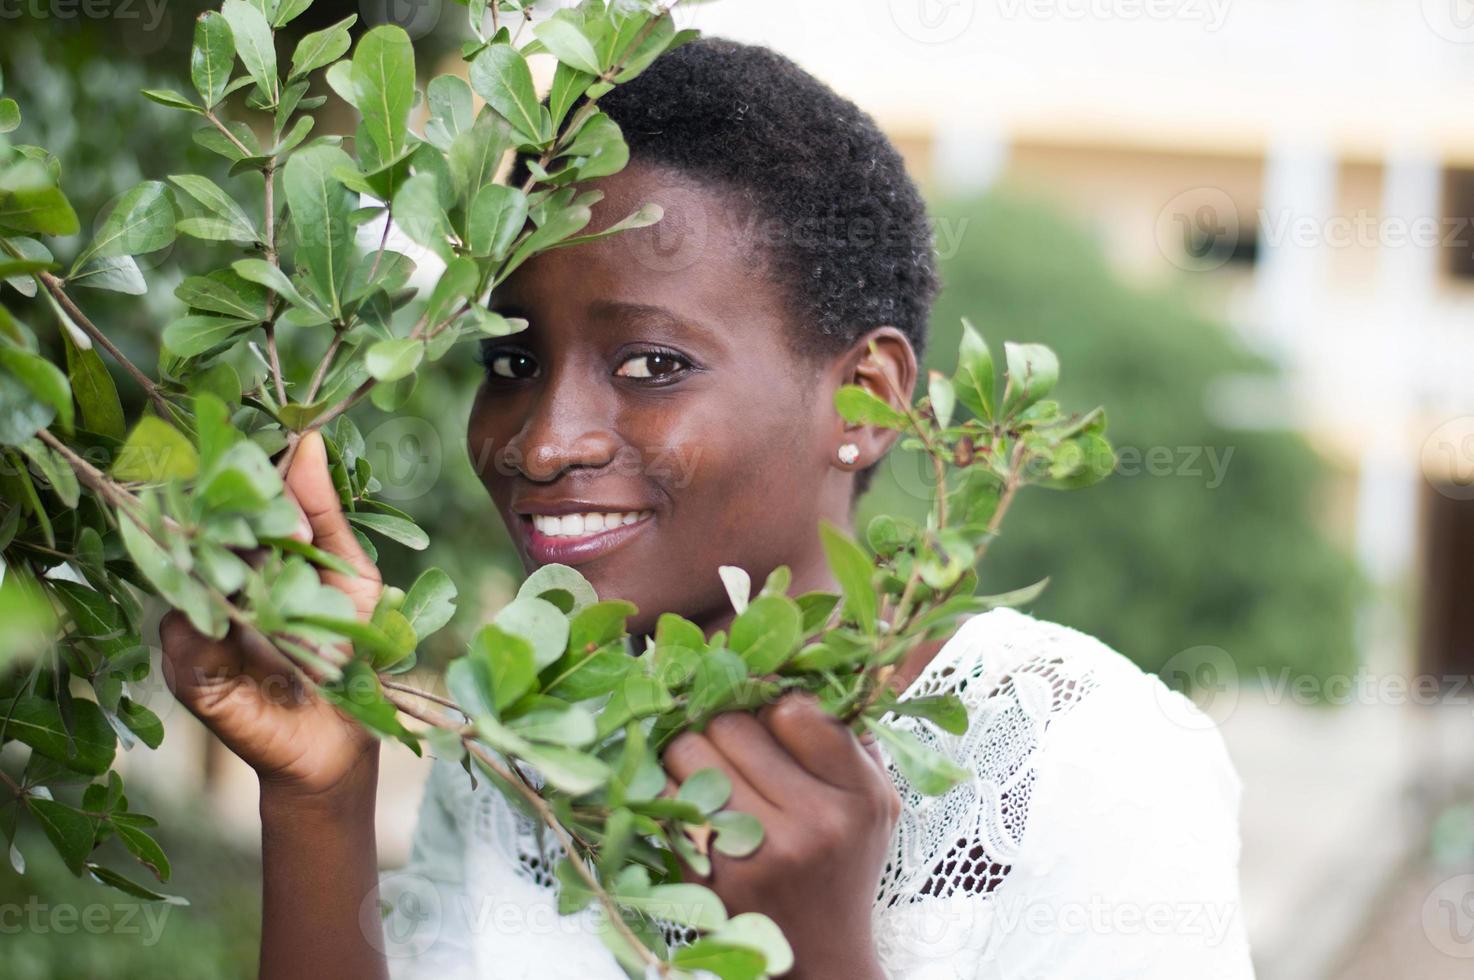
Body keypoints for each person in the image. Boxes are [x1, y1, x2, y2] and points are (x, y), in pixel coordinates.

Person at [160, 38, 1254, 980]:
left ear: (865, 398)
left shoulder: (1084, 755)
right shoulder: (518, 739)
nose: (543, 439)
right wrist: (319, 795)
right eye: (514, 357)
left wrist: (818, 951)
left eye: (650, 362)